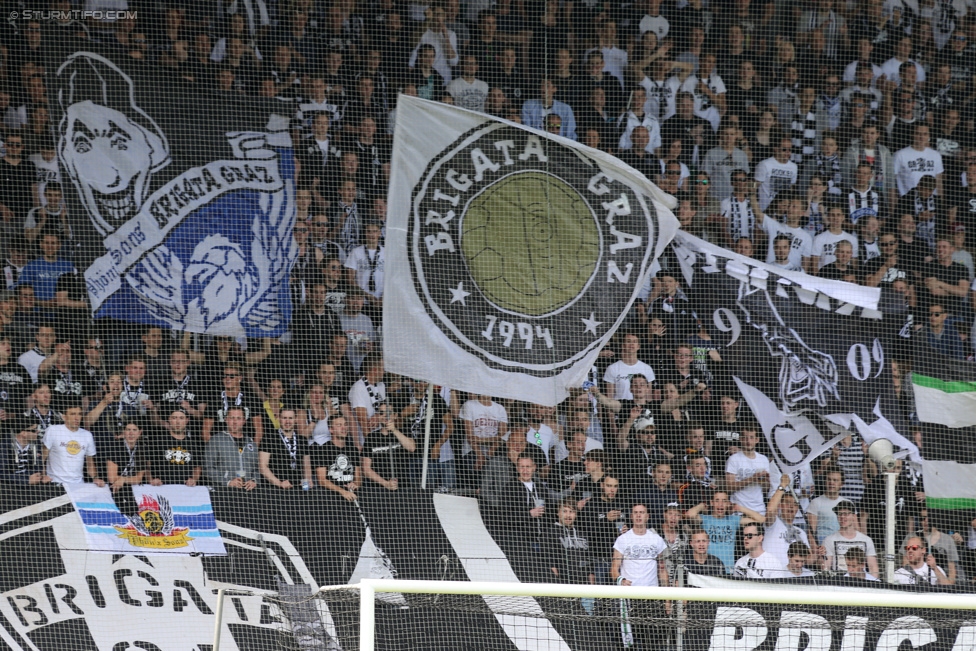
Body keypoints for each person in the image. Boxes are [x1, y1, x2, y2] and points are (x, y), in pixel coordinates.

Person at [611, 503, 670, 649]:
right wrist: (621, 580)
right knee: (632, 641)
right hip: (630, 597)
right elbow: (614, 569)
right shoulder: (623, 539)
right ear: (631, 516)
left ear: (647, 516)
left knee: (654, 640)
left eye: (642, 512)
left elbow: (662, 570)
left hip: (653, 596)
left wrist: (668, 599)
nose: (638, 515)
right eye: (636, 512)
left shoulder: (656, 539)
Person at [685, 490, 763, 573]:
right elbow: (689, 515)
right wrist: (701, 506)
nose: (720, 504)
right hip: (709, 568)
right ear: (712, 503)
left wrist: (740, 508)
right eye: (717, 500)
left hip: (728, 570)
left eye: (724, 501)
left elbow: (761, 520)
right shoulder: (705, 519)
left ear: (728, 504)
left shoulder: (733, 520)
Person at [43, 404, 103, 486]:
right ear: (64, 417)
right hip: (55, 482)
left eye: (79, 414)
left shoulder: (87, 435)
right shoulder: (53, 430)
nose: (76, 418)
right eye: (72, 414)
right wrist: (43, 475)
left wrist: (95, 478)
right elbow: (43, 457)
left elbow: (90, 462)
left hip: (78, 484)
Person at [763, 474, 813, 568]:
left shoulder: (801, 533)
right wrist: (782, 485)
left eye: (794, 504)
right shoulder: (774, 523)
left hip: (791, 576)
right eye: (787, 503)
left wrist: (818, 553)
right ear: (780, 505)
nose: (791, 506)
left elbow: (809, 560)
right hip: (772, 573)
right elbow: (770, 510)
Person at [361, 406, 416, 491]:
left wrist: (394, 430)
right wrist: (386, 483)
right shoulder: (371, 437)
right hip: (378, 489)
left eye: (389, 412)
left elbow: (412, 448)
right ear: (378, 416)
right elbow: (366, 469)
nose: (385, 415)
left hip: (403, 486)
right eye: (382, 413)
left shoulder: (404, 431)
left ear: (395, 415)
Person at [205, 407, 259, 491]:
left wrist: (254, 480)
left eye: (238, 418)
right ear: (226, 419)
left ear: (244, 421)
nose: (235, 422)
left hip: (248, 491)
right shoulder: (216, 440)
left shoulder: (250, 442)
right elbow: (208, 468)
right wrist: (228, 482)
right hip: (223, 490)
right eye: (231, 418)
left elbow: (257, 468)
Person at [543, 499, 594, 586]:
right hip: (563, 584)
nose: (568, 515)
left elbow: (588, 560)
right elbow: (550, 561)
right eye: (564, 511)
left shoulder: (582, 534)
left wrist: (591, 583)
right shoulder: (550, 533)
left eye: (571, 511)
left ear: (576, 514)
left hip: (584, 584)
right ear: (558, 513)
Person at [147, 409, 203, 486]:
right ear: (169, 419)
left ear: (187, 420)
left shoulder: (193, 444)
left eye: (181, 418)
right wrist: (151, 480)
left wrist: (193, 479)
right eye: (174, 418)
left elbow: (197, 467)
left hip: (185, 488)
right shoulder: (158, 441)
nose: (178, 422)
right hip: (161, 487)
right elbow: (147, 464)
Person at [259, 408, 309, 490]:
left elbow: (306, 466)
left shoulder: (302, 440)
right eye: (284, 418)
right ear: (278, 419)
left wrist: (307, 481)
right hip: (274, 489)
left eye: (290, 418)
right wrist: (279, 483)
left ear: (296, 419)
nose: (287, 421)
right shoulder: (268, 438)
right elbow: (262, 466)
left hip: (298, 488)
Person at [725, 427, 770, 515]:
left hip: (759, 509)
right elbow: (729, 487)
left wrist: (766, 481)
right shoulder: (733, 459)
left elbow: (765, 489)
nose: (748, 441)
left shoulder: (763, 459)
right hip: (738, 509)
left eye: (751, 437)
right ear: (740, 439)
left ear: (757, 440)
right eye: (745, 437)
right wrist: (752, 479)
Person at [0, 416, 49, 485]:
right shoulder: (5, 445)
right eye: (34, 430)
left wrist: (38, 477)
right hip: (9, 486)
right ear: (23, 433)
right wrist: (26, 480)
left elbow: (38, 466)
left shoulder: (36, 444)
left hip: (32, 484)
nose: (38, 431)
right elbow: (2, 474)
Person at [807, 465, 844, 544]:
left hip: (843, 544)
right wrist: (815, 549)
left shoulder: (847, 503)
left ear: (841, 484)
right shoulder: (815, 502)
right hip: (823, 545)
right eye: (829, 479)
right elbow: (811, 531)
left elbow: (856, 529)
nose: (831, 483)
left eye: (835, 480)